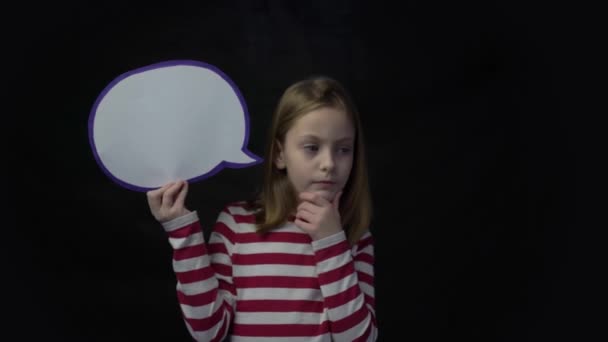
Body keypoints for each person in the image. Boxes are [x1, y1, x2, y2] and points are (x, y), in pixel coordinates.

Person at [147, 76, 377, 341]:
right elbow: (209, 331)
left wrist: (331, 243)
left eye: (343, 149)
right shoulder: (236, 224)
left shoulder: (354, 233)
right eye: (312, 147)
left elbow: (360, 339)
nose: (329, 163)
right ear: (280, 154)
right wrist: (183, 234)